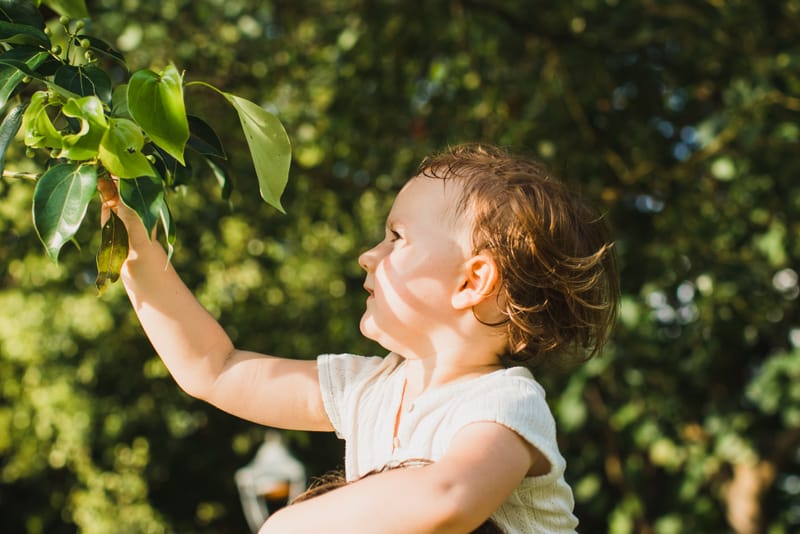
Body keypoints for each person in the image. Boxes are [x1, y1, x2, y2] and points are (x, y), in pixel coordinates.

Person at [99, 143, 619, 533]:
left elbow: (448, 497)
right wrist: (129, 238)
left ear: (471, 282)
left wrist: (287, 526)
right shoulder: (368, 389)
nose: (368, 255)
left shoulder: (505, 404)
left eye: (397, 238)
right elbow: (214, 368)